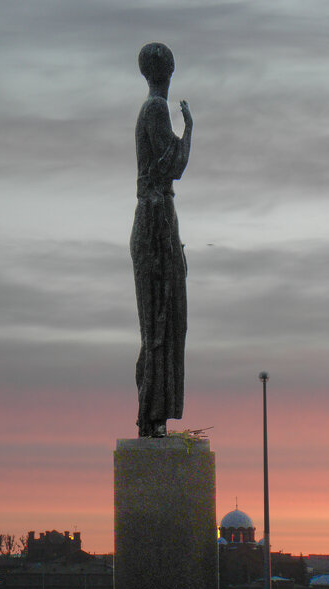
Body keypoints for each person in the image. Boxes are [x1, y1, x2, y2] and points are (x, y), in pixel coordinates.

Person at [130, 43, 193, 437]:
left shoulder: (152, 109)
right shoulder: (155, 109)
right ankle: (152, 415)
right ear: (168, 70)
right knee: (161, 322)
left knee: (168, 322)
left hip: (159, 220)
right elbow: (173, 164)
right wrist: (189, 130)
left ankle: (155, 415)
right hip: (155, 223)